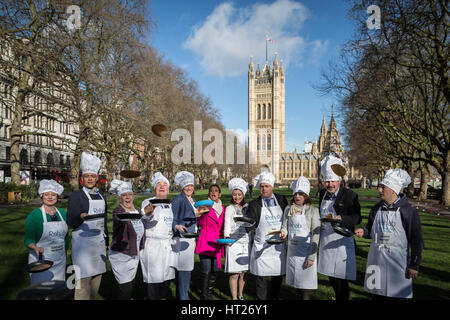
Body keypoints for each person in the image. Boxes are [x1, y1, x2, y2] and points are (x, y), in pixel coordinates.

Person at [355, 169, 424, 299]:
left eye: (383, 187)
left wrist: (414, 264)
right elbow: (371, 229)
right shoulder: (376, 209)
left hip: (398, 263)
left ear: (393, 189)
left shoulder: (408, 212)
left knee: (397, 296)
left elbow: (417, 240)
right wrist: (364, 232)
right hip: (377, 260)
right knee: (377, 295)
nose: (379, 190)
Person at [317, 155, 361, 300]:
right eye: (327, 181)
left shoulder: (350, 195)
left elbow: (357, 217)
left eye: (332, 181)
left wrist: (341, 219)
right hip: (326, 241)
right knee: (331, 276)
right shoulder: (323, 194)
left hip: (342, 242)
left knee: (341, 280)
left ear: (339, 181)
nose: (329, 184)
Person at [67, 152, 108, 300]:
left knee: (96, 281)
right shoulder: (76, 196)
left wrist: (107, 242)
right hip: (82, 246)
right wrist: (80, 217)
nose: (90, 179)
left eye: (92, 176)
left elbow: (104, 220)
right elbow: (70, 221)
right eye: (87, 176)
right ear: (82, 178)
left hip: (98, 243)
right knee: (82, 283)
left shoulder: (102, 196)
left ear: (96, 178)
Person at [246, 171, 288, 300]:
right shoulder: (254, 204)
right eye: (262, 186)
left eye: (266, 186)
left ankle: (274, 297)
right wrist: (246, 222)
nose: (264, 189)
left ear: (272, 187)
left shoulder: (281, 200)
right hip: (262, 246)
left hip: (278, 246)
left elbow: (287, 219)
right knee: (261, 278)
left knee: (277, 277)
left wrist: (286, 231)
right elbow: (250, 225)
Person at [280, 176, 321, 300]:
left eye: (301, 194)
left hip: (305, 253)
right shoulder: (288, 208)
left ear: (306, 196)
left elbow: (316, 234)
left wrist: (311, 257)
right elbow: (284, 226)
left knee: (304, 288)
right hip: (292, 252)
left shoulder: (313, 211)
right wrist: (283, 231)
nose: (297, 197)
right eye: (296, 194)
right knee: (296, 285)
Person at [140, 172, 175, 300]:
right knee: (154, 279)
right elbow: (144, 213)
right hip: (153, 247)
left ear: (168, 188)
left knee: (167, 278)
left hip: (168, 245)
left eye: (164, 184)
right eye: (159, 184)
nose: (162, 186)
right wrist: (150, 208)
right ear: (155, 187)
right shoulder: (147, 201)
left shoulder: (171, 204)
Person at [25, 179, 67, 285]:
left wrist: (65, 249)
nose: (50, 197)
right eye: (46, 194)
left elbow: (66, 236)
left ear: (57, 196)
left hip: (60, 261)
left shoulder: (63, 214)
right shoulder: (35, 215)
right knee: (41, 291)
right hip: (41, 261)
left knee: (57, 291)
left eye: (53, 194)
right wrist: (35, 247)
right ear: (42, 196)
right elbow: (29, 239)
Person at [108, 179, 144, 300]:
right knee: (126, 289)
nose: (127, 198)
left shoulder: (136, 211)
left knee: (130, 287)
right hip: (121, 255)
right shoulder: (118, 211)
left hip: (134, 254)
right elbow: (120, 219)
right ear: (119, 198)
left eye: (129, 194)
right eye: (124, 195)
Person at [195, 184, 225, 300]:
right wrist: (200, 213)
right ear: (209, 194)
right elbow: (198, 220)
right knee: (206, 270)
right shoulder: (205, 206)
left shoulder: (223, 208)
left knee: (214, 270)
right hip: (206, 239)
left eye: (216, 191)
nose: (213, 193)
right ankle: (204, 295)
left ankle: (209, 293)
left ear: (219, 194)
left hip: (217, 241)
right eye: (211, 191)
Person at [171, 171, 196, 300]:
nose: (189, 188)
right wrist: (176, 226)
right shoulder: (179, 199)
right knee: (184, 271)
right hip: (182, 239)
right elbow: (172, 218)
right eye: (186, 186)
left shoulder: (193, 200)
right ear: (182, 187)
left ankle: (182, 296)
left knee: (188, 270)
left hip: (191, 239)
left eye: (191, 185)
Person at [224, 177, 250, 300]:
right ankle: (234, 298)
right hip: (233, 243)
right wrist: (227, 238)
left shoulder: (247, 208)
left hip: (246, 242)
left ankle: (241, 295)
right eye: (235, 194)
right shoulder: (229, 209)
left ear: (243, 195)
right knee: (234, 273)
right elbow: (227, 225)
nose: (237, 197)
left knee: (243, 273)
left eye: (239, 194)